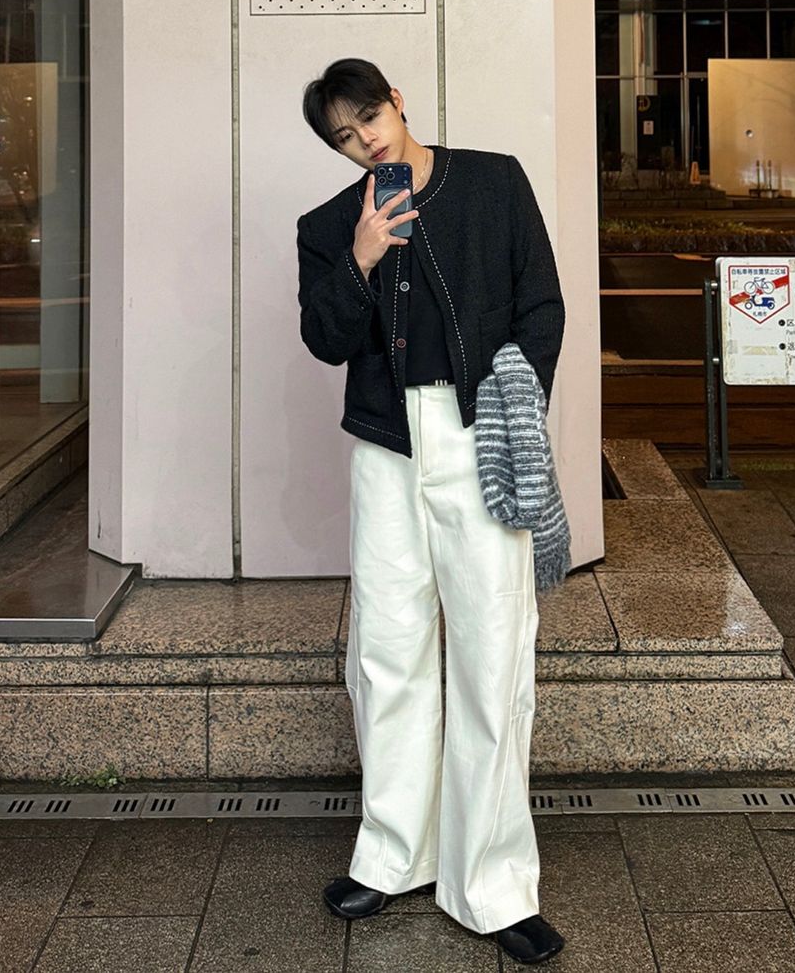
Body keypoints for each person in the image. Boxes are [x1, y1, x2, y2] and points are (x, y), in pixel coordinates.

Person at [296, 57, 566, 966]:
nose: (365, 141)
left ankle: (494, 884)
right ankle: (391, 854)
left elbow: (542, 303)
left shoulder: (492, 181)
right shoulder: (330, 226)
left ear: (398, 101)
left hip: (477, 430)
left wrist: (513, 403)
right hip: (386, 443)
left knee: (492, 651)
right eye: (345, 137)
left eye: (370, 117)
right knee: (388, 650)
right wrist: (363, 257)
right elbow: (325, 338)